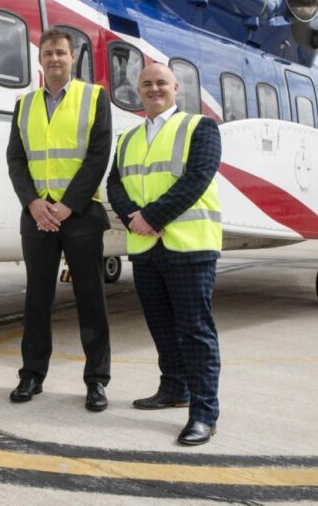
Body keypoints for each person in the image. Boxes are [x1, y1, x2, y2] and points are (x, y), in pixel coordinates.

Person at [106, 63, 222, 445]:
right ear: (138, 92)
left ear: (176, 87)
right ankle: (174, 388)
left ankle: (204, 413)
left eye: (161, 83)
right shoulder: (127, 138)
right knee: (161, 328)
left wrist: (152, 216)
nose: (154, 89)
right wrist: (134, 219)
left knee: (195, 331)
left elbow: (198, 177)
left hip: (189, 246)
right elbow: (115, 184)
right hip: (145, 248)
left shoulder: (199, 127)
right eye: (146, 84)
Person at [6, 26, 112, 411]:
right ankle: (31, 375)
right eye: (47, 52)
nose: (54, 59)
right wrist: (34, 203)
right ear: (40, 59)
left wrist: (68, 205)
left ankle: (97, 381)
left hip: (79, 215)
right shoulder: (25, 104)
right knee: (37, 299)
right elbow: (16, 160)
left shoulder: (93, 97)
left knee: (90, 299)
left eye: (61, 53)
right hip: (37, 217)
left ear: (73, 58)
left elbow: (98, 155)